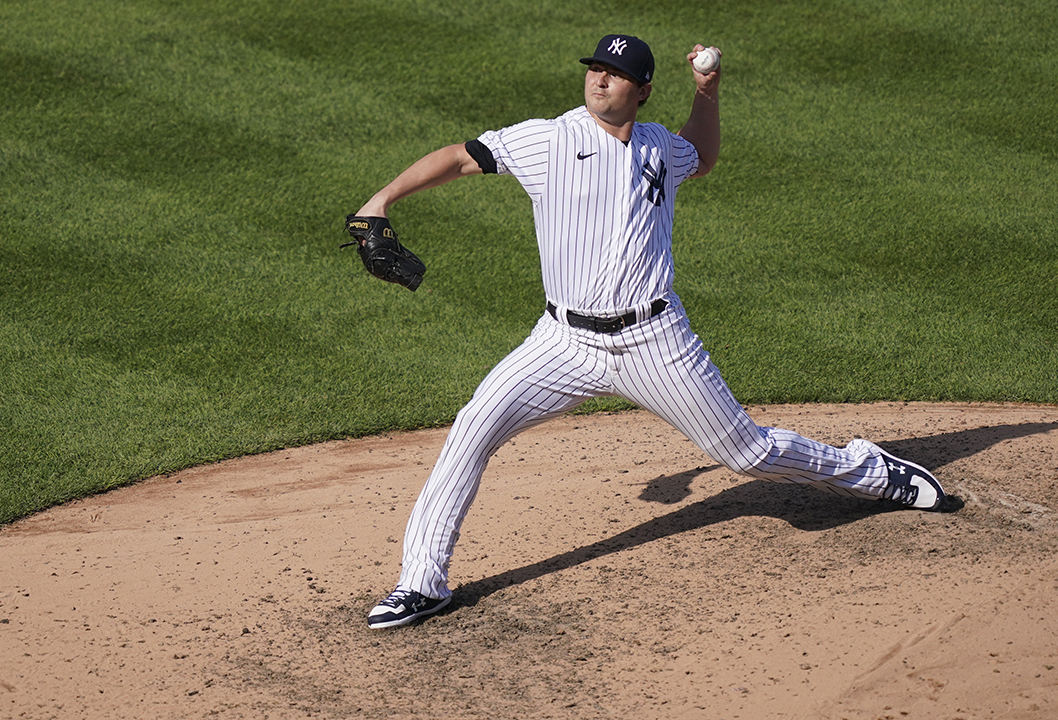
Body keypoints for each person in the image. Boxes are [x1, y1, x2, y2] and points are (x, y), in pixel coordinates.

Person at [353, 34, 948, 630]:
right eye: (594, 70)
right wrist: (381, 201)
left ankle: (870, 470)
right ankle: (421, 583)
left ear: (641, 91)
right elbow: (460, 156)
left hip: (654, 341)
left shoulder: (660, 145)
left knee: (745, 454)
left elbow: (703, 157)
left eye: (613, 74)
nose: (598, 80)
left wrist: (707, 93)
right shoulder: (550, 138)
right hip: (563, 342)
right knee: (472, 428)